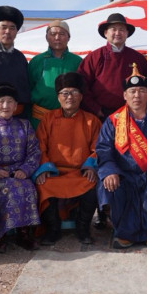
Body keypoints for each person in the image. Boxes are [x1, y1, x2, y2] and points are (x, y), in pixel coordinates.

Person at [95, 66, 147, 249]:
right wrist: (110, 171)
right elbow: (103, 150)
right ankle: (124, 233)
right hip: (123, 174)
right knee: (109, 185)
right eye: (132, 91)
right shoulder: (113, 121)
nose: (137, 95)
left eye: (141, 91)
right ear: (124, 95)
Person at [33, 72, 100, 246]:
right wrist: (44, 168)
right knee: (43, 184)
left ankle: (83, 228)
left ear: (81, 96)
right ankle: (53, 228)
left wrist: (90, 166)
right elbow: (40, 147)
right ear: (58, 97)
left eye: (74, 92)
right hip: (54, 172)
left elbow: (98, 148)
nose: (69, 97)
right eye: (65, 93)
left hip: (80, 172)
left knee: (93, 183)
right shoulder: (48, 119)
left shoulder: (91, 120)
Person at [0, 84, 41, 253]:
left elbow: (34, 151)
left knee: (27, 187)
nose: (5, 106)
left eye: (10, 102)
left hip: (19, 172)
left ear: (16, 106)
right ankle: (0, 236)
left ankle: (23, 234)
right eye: (1, 102)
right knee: (6, 189)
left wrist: (25, 170)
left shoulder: (25, 125)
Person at [78, 13, 147, 120]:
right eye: (113, 29)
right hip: (100, 115)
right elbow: (81, 84)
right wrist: (96, 109)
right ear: (106, 33)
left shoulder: (137, 58)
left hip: (131, 115)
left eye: (121, 30)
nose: (117, 33)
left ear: (127, 33)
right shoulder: (94, 57)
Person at [28, 20, 82, 128]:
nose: (57, 38)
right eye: (53, 34)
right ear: (46, 37)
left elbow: (83, 89)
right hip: (39, 119)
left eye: (62, 34)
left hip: (69, 119)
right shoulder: (37, 61)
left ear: (68, 37)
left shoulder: (77, 61)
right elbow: (28, 87)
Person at [0, 6, 31, 118]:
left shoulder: (20, 57)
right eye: (3, 27)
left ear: (16, 32)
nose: (8, 31)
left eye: (12, 28)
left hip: (18, 116)